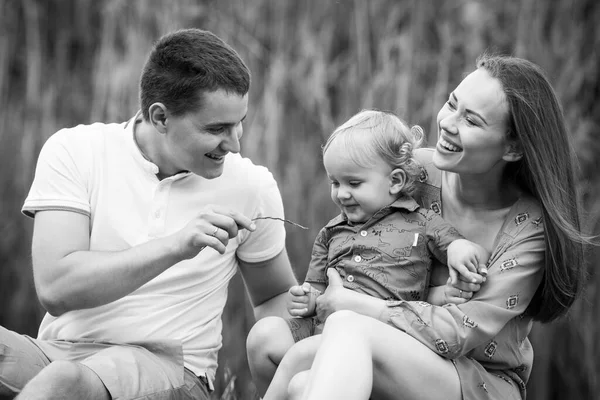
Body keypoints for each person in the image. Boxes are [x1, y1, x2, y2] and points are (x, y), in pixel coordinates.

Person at [0, 28, 298, 400]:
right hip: (58, 352)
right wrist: (175, 245)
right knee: (61, 374)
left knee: (65, 382)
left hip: (171, 369)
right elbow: (57, 289)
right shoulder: (76, 150)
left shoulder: (252, 186)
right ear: (160, 117)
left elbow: (273, 297)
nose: (235, 143)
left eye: (240, 123)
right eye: (217, 129)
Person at [279, 54, 587, 400]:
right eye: (452, 104)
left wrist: (357, 304)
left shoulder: (528, 228)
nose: (448, 123)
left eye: (471, 120)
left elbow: (458, 331)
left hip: (479, 383)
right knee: (294, 371)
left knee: (345, 329)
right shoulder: (415, 173)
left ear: (513, 147)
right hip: (393, 351)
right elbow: (364, 249)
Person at [246, 110, 489, 398]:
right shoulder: (331, 232)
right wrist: (306, 299)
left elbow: (460, 245)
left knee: (300, 365)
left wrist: (462, 251)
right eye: (335, 183)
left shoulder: (420, 222)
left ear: (395, 181)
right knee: (263, 336)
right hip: (321, 326)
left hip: (380, 335)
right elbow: (317, 290)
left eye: (354, 183)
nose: (342, 194)